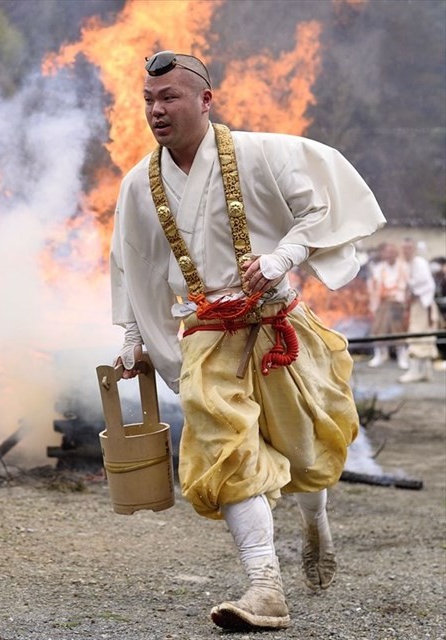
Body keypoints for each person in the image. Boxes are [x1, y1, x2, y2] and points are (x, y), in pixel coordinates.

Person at [109, 51, 385, 631]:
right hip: (208, 338)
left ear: (205, 101)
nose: (157, 111)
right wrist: (134, 338)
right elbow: (132, 264)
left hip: (279, 322)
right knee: (222, 448)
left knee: (307, 449)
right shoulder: (140, 184)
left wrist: (283, 255)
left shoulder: (263, 151)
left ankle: (316, 522)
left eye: (170, 98)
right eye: (150, 102)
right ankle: (264, 585)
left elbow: (321, 205)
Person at [398, 238, 441, 382]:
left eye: (409, 248)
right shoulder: (407, 264)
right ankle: (425, 371)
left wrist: (409, 286)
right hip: (416, 306)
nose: (406, 251)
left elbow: (423, 282)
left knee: (420, 337)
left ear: (414, 249)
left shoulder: (419, 263)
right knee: (420, 336)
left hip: (423, 305)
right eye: (404, 248)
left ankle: (417, 372)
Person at [366, 241, 410, 368]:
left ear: (396, 253)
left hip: (398, 304)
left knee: (398, 330)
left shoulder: (403, 267)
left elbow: (407, 286)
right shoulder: (379, 268)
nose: (389, 255)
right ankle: (380, 355)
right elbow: (373, 287)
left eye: (392, 252)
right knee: (379, 329)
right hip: (383, 303)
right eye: (387, 252)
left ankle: (402, 357)